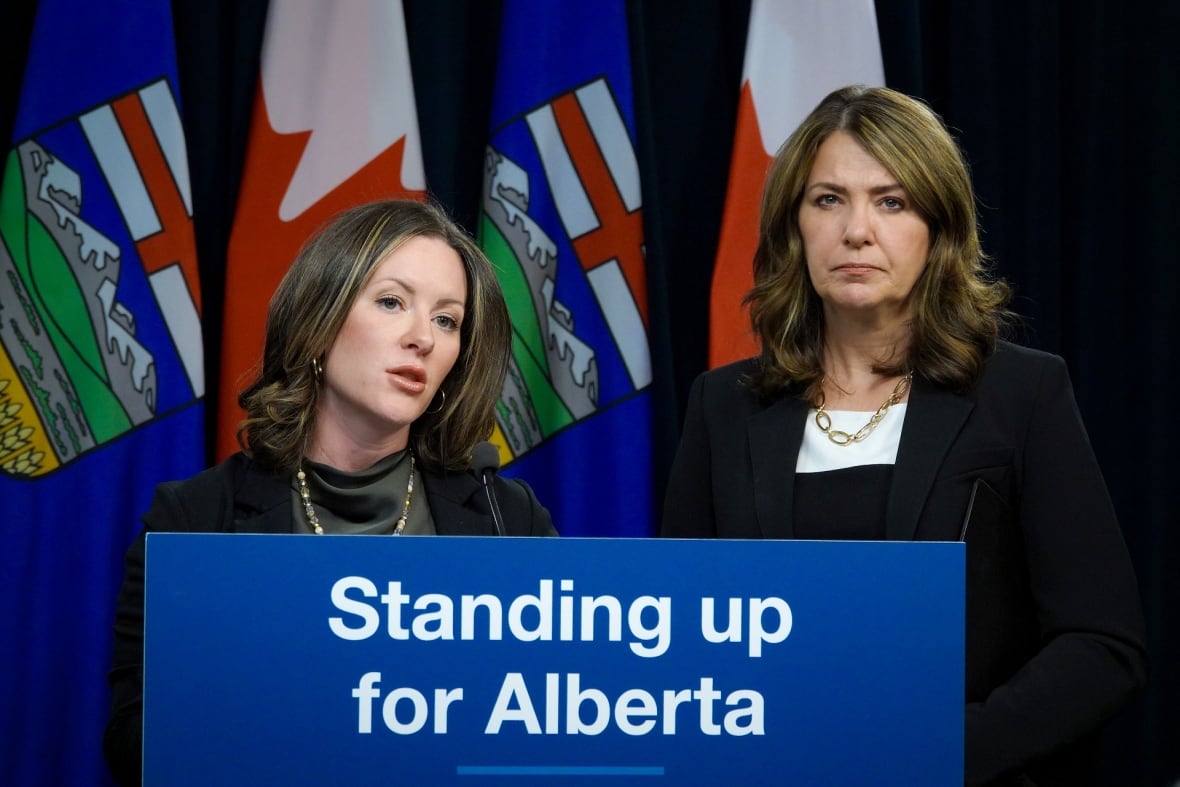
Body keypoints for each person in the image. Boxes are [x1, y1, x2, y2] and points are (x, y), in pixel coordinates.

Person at [661, 86, 1146, 786]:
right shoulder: (724, 407)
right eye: (828, 199)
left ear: (938, 230)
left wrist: (940, 750)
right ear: (793, 225)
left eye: (891, 201)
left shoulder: (1022, 395)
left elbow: (1104, 646)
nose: (857, 230)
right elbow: (680, 635)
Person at [103, 199, 557, 785]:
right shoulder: (194, 518)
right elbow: (133, 742)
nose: (422, 337)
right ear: (320, 321)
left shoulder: (505, 518)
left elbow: (553, 717)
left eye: (447, 320)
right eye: (392, 302)